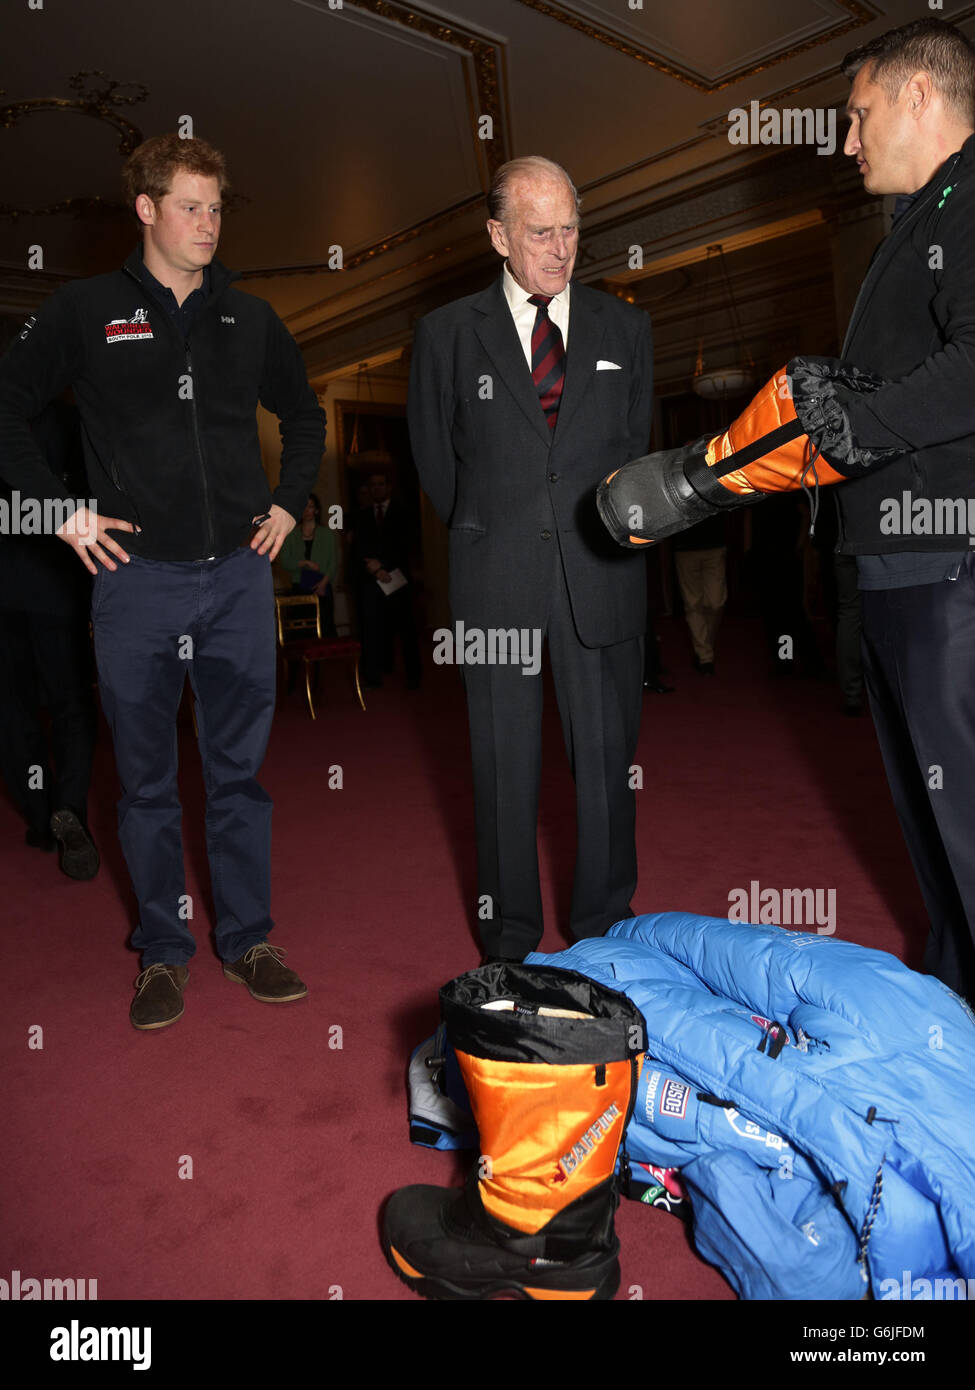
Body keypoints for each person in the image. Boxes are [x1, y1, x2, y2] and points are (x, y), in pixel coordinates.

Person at [0, 133, 326, 1028]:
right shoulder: (84, 309)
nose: (208, 224)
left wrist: (291, 502)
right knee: (144, 786)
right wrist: (56, 510)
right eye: (190, 206)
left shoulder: (249, 317)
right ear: (144, 209)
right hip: (134, 583)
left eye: (217, 207)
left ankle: (248, 939)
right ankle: (162, 952)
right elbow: (7, 407)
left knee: (238, 780)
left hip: (235, 581)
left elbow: (302, 414)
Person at [408, 155, 653, 962]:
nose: (560, 248)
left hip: (601, 572)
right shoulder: (446, 333)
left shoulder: (626, 328)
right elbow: (437, 466)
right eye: (539, 231)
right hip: (496, 576)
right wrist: (493, 529)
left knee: (606, 763)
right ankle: (507, 937)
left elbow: (633, 449)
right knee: (501, 767)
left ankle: (605, 928)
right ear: (497, 235)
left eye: (571, 229)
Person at [834, 18, 975, 1000]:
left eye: (859, 114)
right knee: (934, 828)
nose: (847, 141)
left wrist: (850, 423)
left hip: (947, 570)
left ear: (921, 96)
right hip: (899, 568)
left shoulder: (969, 203)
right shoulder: (926, 215)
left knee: (965, 818)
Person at [348, 469, 421, 689]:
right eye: (373, 484)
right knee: (371, 628)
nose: (377, 488)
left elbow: (406, 543)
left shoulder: (403, 511)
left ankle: (414, 676)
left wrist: (384, 565)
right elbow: (358, 547)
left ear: (389, 486)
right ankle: (373, 675)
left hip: (397, 577)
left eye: (381, 484)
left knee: (406, 628)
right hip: (370, 579)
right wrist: (374, 568)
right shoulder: (361, 515)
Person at [277, 492, 338, 634]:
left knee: (325, 629)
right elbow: (284, 562)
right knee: (303, 631)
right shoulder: (290, 535)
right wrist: (304, 563)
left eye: (310, 506)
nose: (306, 510)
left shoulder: (327, 534)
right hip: (299, 588)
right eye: (303, 506)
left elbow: (333, 563)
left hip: (322, 586)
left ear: (316, 510)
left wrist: (323, 584)